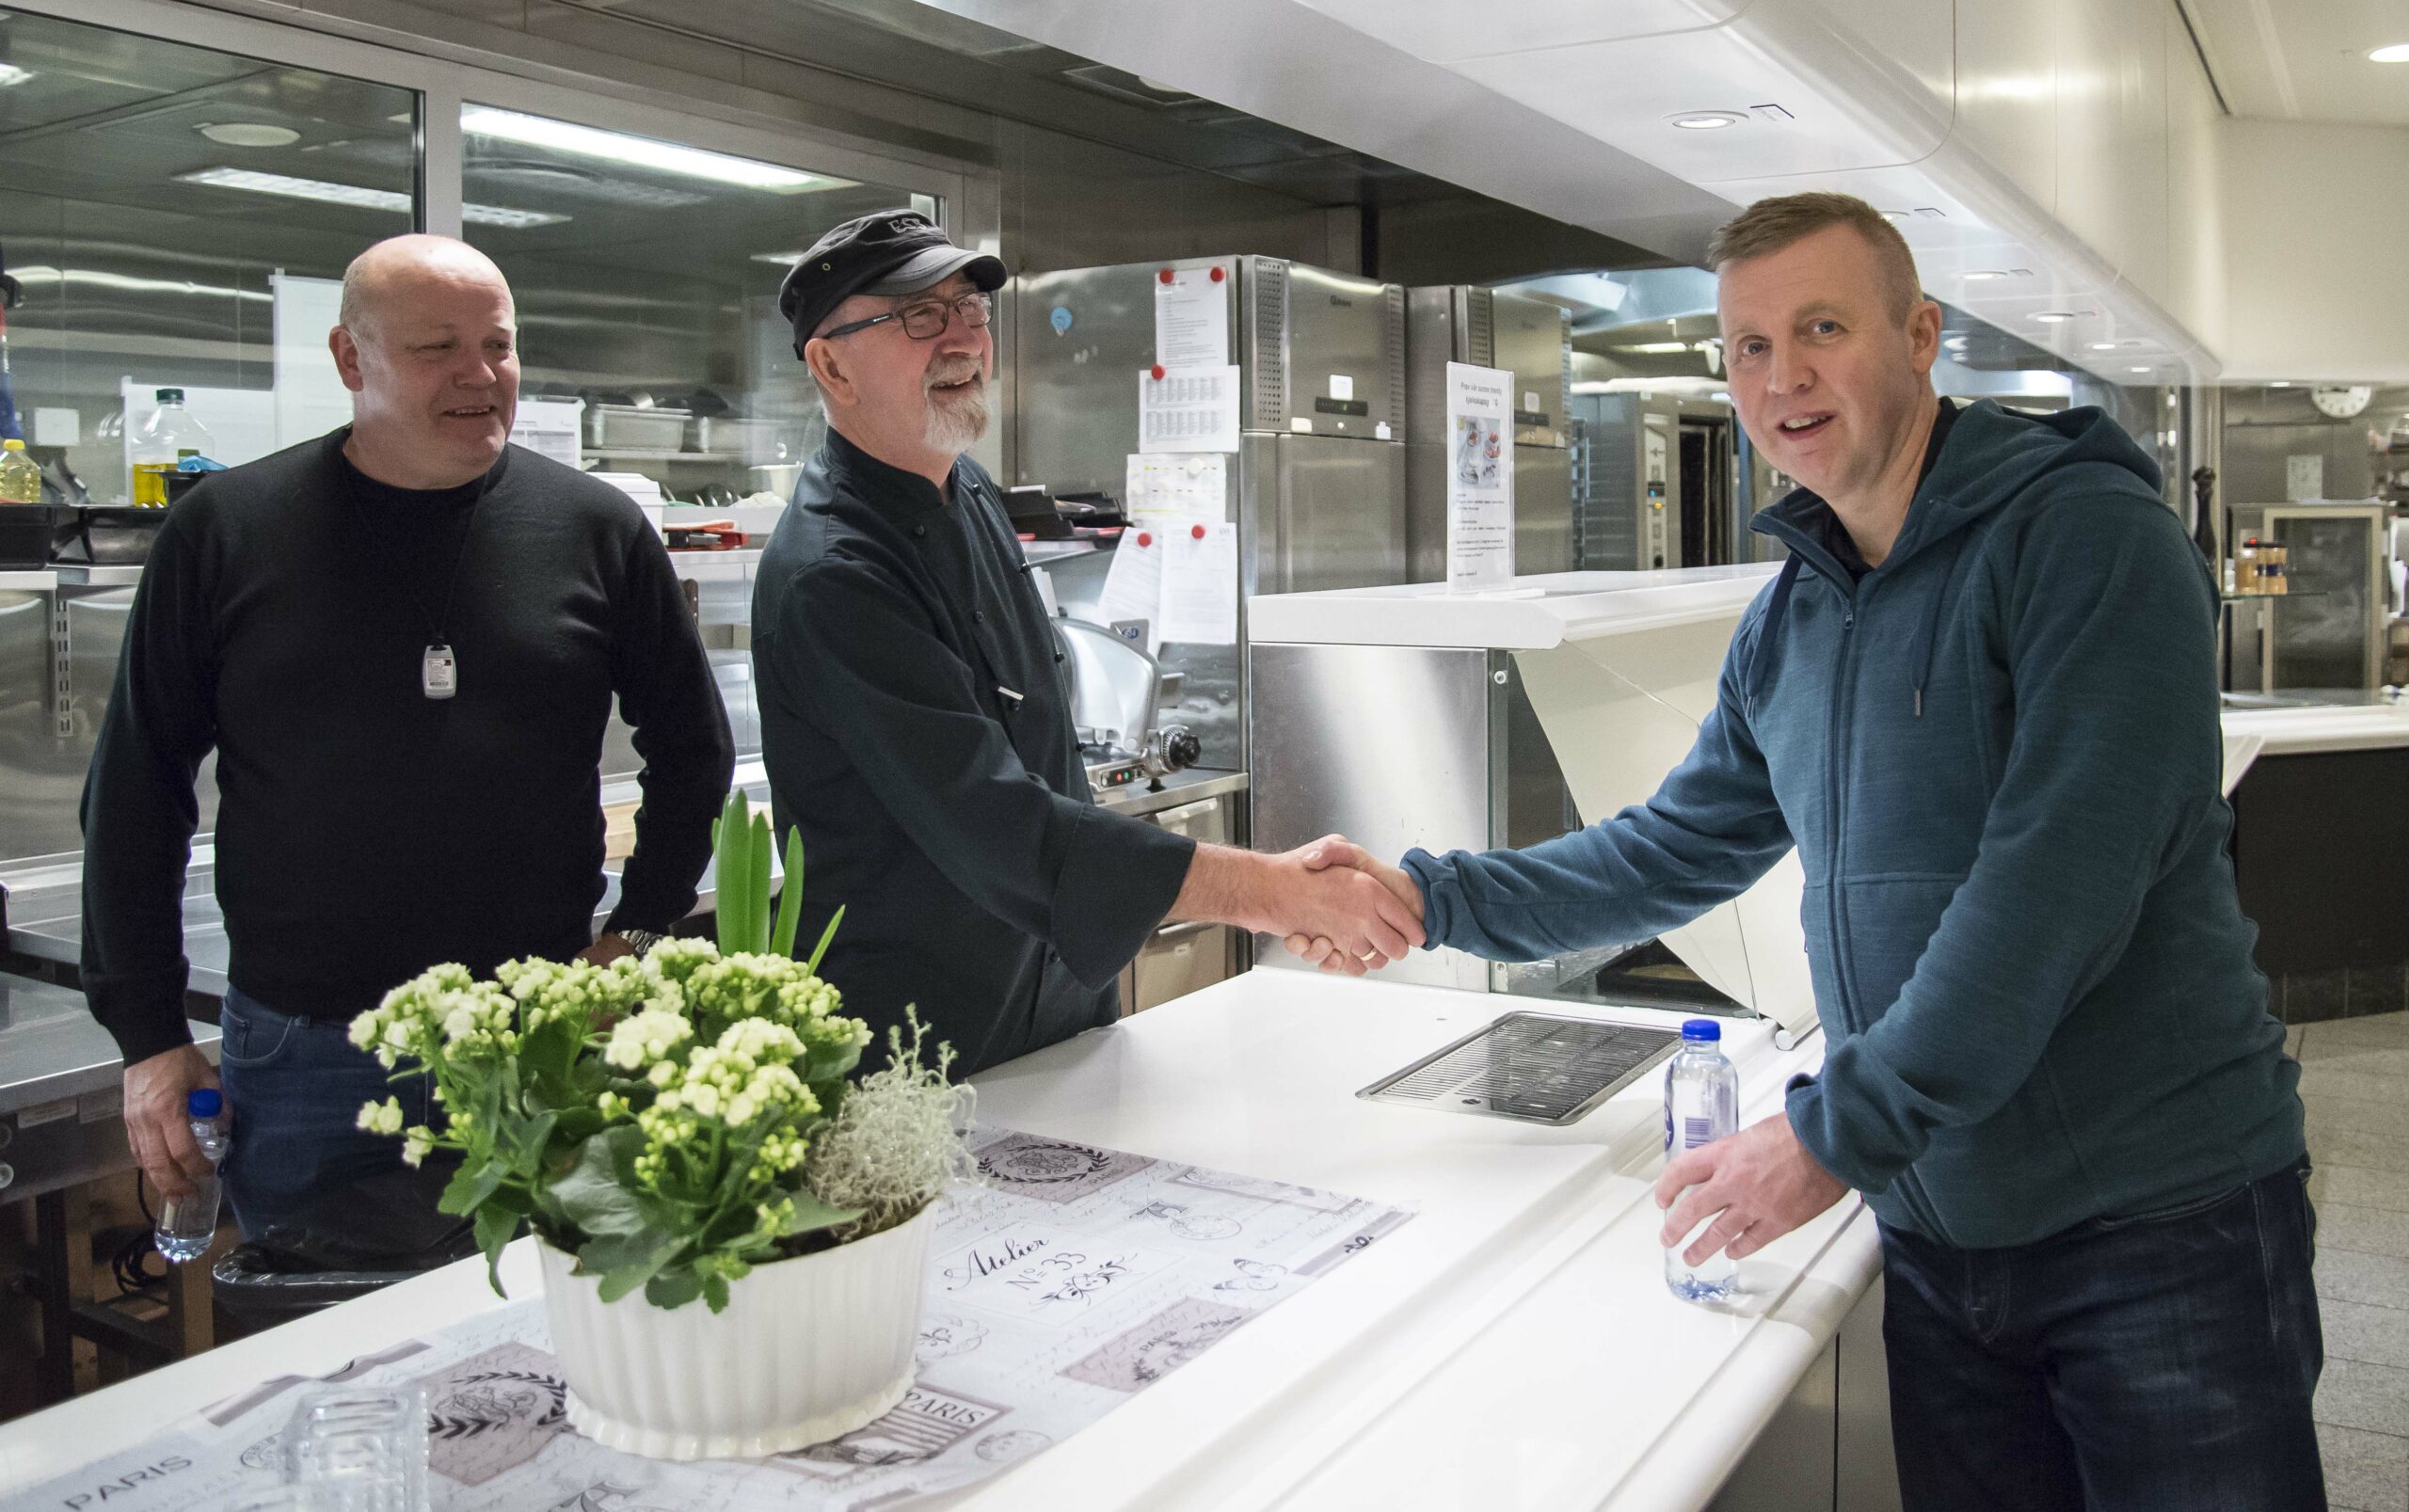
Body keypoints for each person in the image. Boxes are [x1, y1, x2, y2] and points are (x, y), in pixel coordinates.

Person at [1294, 193, 2320, 1509]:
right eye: (1749, 346)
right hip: (1943, 1235)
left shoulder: (2086, 541)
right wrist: (1431, 896)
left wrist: (1833, 1133)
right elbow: (1667, 849)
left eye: (1822, 327)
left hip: (2160, 1225)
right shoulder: (1797, 614)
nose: (1784, 376)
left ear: (1921, 336)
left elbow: (2048, 895)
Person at [83, 234, 735, 1240]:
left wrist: (639, 935)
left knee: (562, 1353)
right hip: (309, 1059)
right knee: (329, 1366)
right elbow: (136, 789)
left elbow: (692, 750)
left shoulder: (596, 529)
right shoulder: (226, 531)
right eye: (438, 348)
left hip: (544, 1040)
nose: (481, 377)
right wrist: (149, 1037)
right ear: (352, 361)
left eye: (499, 346)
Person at [752, 210, 1421, 1078]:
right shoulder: (833, 575)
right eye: (919, 315)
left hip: (1061, 1012)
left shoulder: (973, 494)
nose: (961, 338)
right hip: (924, 1049)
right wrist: (1273, 891)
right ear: (830, 362)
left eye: (970, 308)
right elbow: (998, 823)